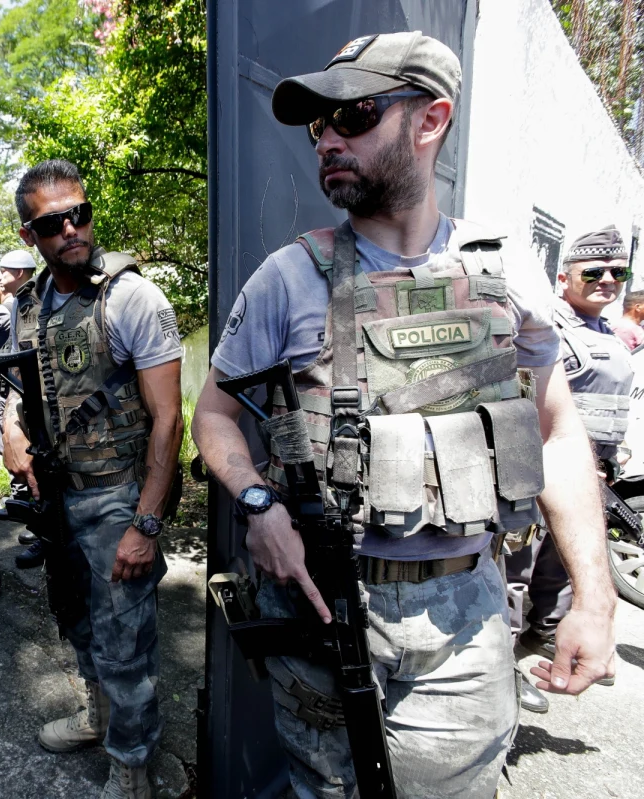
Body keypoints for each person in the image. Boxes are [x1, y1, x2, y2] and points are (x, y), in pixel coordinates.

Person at [190, 32, 615, 798]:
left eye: (352, 114)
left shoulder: (505, 271)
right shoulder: (288, 277)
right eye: (318, 125)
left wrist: (594, 595)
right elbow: (214, 414)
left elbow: (554, 432)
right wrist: (256, 503)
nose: (326, 140)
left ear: (430, 121)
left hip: (463, 617)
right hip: (321, 604)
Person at [0, 160, 182, 799]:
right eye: (54, 222)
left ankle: (133, 769)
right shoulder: (26, 305)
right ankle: (99, 717)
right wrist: (11, 429)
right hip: (58, 497)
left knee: (125, 644)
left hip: (116, 499)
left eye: (81, 213)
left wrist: (146, 524)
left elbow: (168, 421)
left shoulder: (131, 297)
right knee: (76, 618)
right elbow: (17, 391)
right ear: (31, 235)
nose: (73, 229)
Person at [506, 226, 632, 712]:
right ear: (564, 278)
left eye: (617, 272)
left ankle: (553, 644)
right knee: (518, 573)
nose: (606, 280)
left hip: (593, 476)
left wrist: (608, 460)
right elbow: (532, 409)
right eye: (593, 272)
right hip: (543, 472)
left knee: (563, 576)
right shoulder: (546, 328)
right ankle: (505, 671)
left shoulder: (611, 335)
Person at [0, 250, 45, 566]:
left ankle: (45, 535)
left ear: (20, 272)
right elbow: (17, 354)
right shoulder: (20, 304)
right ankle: (41, 532)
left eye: (4, 271)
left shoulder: (42, 295)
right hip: (26, 397)